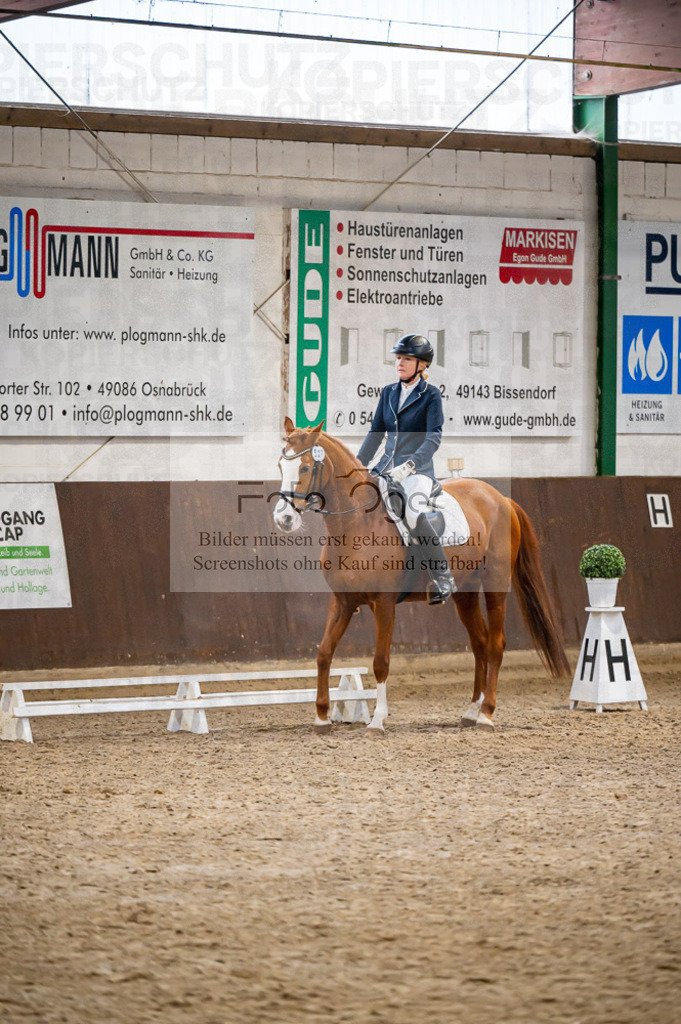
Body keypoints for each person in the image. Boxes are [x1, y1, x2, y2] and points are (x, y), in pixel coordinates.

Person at [356, 333, 456, 604]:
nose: (399, 363)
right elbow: (376, 433)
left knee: (412, 512)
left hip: (417, 471)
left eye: (407, 359)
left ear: (422, 365)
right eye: (398, 357)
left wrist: (410, 464)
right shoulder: (388, 392)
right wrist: (358, 466)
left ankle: (443, 576)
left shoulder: (430, 395)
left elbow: (433, 437)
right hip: (385, 468)